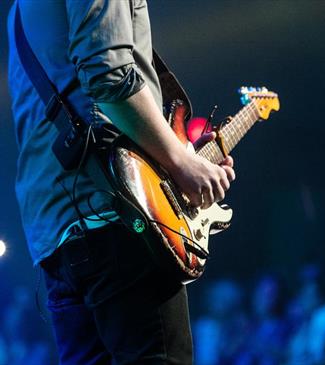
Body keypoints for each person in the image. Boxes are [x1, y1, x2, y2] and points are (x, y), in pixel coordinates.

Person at [8, 1, 235, 364]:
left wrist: (182, 155)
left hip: (56, 238)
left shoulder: (21, 10)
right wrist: (180, 162)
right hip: (119, 217)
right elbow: (107, 75)